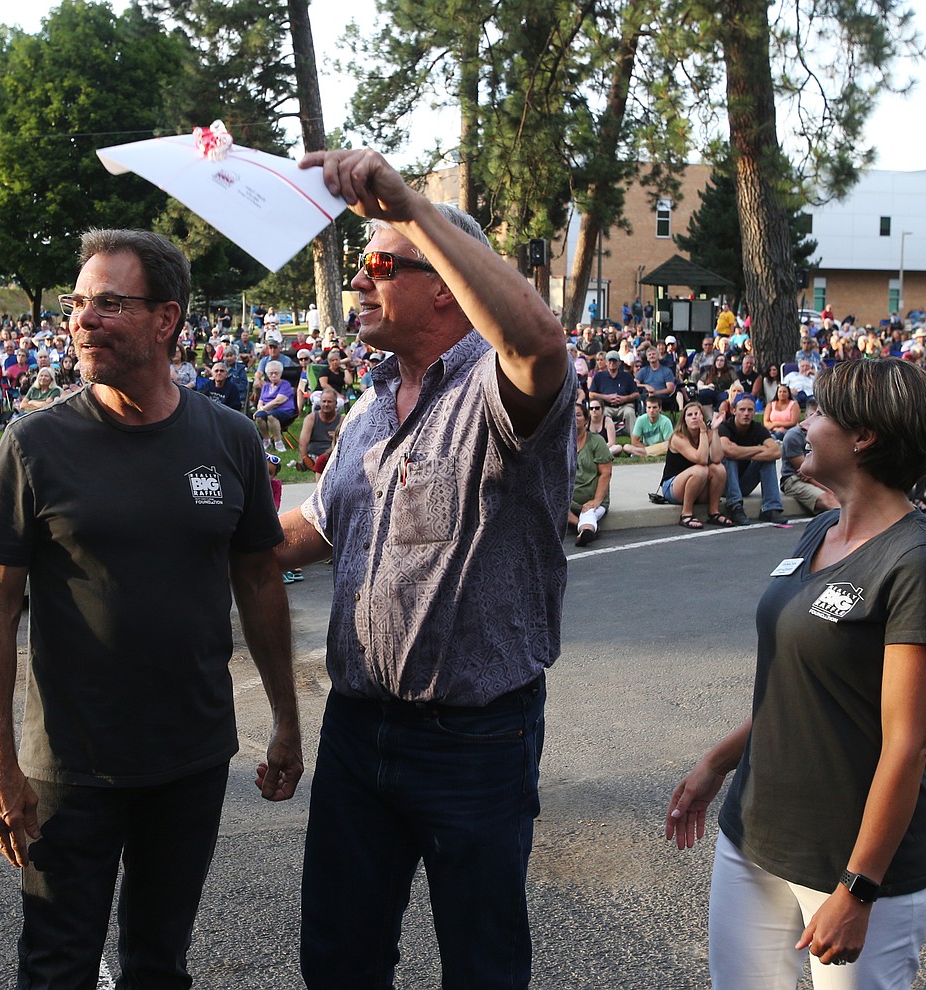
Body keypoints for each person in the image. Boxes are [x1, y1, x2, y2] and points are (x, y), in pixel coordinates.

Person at [0, 229, 302, 989]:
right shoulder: (33, 446)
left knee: (159, 964)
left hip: (189, 759)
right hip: (70, 769)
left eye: (109, 303)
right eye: (78, 303)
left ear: (166, 319)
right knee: (56, 968)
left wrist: (286, 718)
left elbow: (258, 583)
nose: (83, 319)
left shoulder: (231, 438)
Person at [274, 148, 573, 989]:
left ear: (444, 279)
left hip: (473, 742)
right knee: (338, 960)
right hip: (357, 732)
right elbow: (313, 529)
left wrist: (411, 204)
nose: (358, 284)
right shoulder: (371, 404)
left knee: (480, 968)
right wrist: (182, 530)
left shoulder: (496, 386)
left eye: (380, 263)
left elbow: (540, 339)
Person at [667, 358, 926, 989]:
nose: (806, 423)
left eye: (821, 413)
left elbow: (906, 744)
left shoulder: (920, 563)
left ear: (865, 438)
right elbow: (799, 688)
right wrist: (716, 763)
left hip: (851, 864)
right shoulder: (823, 527)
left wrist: (858, 890)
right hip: (754, 837)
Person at [719, 391, 789, 525]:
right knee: (729, 458)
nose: (746, 413)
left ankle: (771, 508)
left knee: (767, 460)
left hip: (745, 484)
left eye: (750, 410)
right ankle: (735, 507)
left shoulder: (757, 428)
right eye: (742, 409)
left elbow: (775, 452)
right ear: (734, 411)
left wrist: (739, 451)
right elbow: (728, 451)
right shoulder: (725, 427)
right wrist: (759, 449)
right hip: (724, 485)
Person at [660, 401, 730, 529]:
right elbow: (701, 459)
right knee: (701, 469)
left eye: (697, 414)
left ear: (703, 416)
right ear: (684, 420)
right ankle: (686, 514)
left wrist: (714, 431)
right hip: (672, 487)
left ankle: (713, 513)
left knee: (718, 469)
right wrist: (703, 432)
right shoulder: (678, 437)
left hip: (697, 485)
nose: (694, 417)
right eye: (689, 415)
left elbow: (717, 458)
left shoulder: (707, 433)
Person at [780, 398, 840, 516]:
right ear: (806, 415)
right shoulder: (793, 436)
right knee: (829, 499)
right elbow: (806, 473)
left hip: (818, 476)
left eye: (820, 417)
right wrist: (830, 490)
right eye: (812, 416)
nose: (815, 422)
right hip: (794, 479)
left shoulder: (824, 435)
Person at [569, 401, 612, 546]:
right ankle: (585, 528)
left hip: (592, 499)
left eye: (578, 415)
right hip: (569, 501)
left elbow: (606, 474)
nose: (574, 418)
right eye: (571, 415)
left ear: (586, 420)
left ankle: (586, 532)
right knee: (555, 509)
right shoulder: (561, 443)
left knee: (589, 513)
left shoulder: (596, 441)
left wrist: (596, 501)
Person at [591, 349, 641, 434]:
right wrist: (606, 397)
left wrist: (625, 398)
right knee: (603, 413)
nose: (612, 363)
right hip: (606, 407)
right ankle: (606, 438)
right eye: (610, 361)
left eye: (614, 361)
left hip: (624, 406)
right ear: (606, 362)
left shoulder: (627, 376)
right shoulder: (599, 376)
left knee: (630, 412)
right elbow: (591, 394)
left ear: (619, 363)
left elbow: (636, 394)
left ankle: (635, 438)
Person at [254, 361, 297, 451]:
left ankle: (278, 443)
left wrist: (262, 409)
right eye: (271, 374)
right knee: (259, 416)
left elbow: (278, 401)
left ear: (280, 374)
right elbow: (260, 401)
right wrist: (260, 410)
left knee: (271, 415)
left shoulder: (285, 384)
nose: (273, 376)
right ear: (267, 375)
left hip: (285, 411)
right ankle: (266, 441)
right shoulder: (266, 386)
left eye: (276, 373)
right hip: (268, 411)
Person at [298, 387, 342, 474]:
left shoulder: (342, 420)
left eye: (329, 402)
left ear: (336, 404)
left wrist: (336, 436)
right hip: (314, 453)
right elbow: (303, 442)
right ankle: (309, 464)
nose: (326, 404)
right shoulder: (311, 418)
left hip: (332, 454)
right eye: (324, 401)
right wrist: (303, 459)